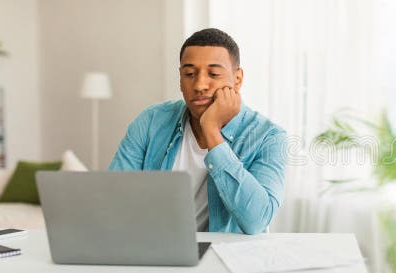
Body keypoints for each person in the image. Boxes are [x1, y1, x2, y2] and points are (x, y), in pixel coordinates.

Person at [109, 28, 286, 235]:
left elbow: (257, 221)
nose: (200, 84)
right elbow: (114, 197)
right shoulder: (152, 121)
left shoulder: (269, 137)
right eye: (190, 74)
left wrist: (211, 130)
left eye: (213, 74)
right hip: (156, 252)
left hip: (227, 260)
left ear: (237, 79)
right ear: (180, 78)